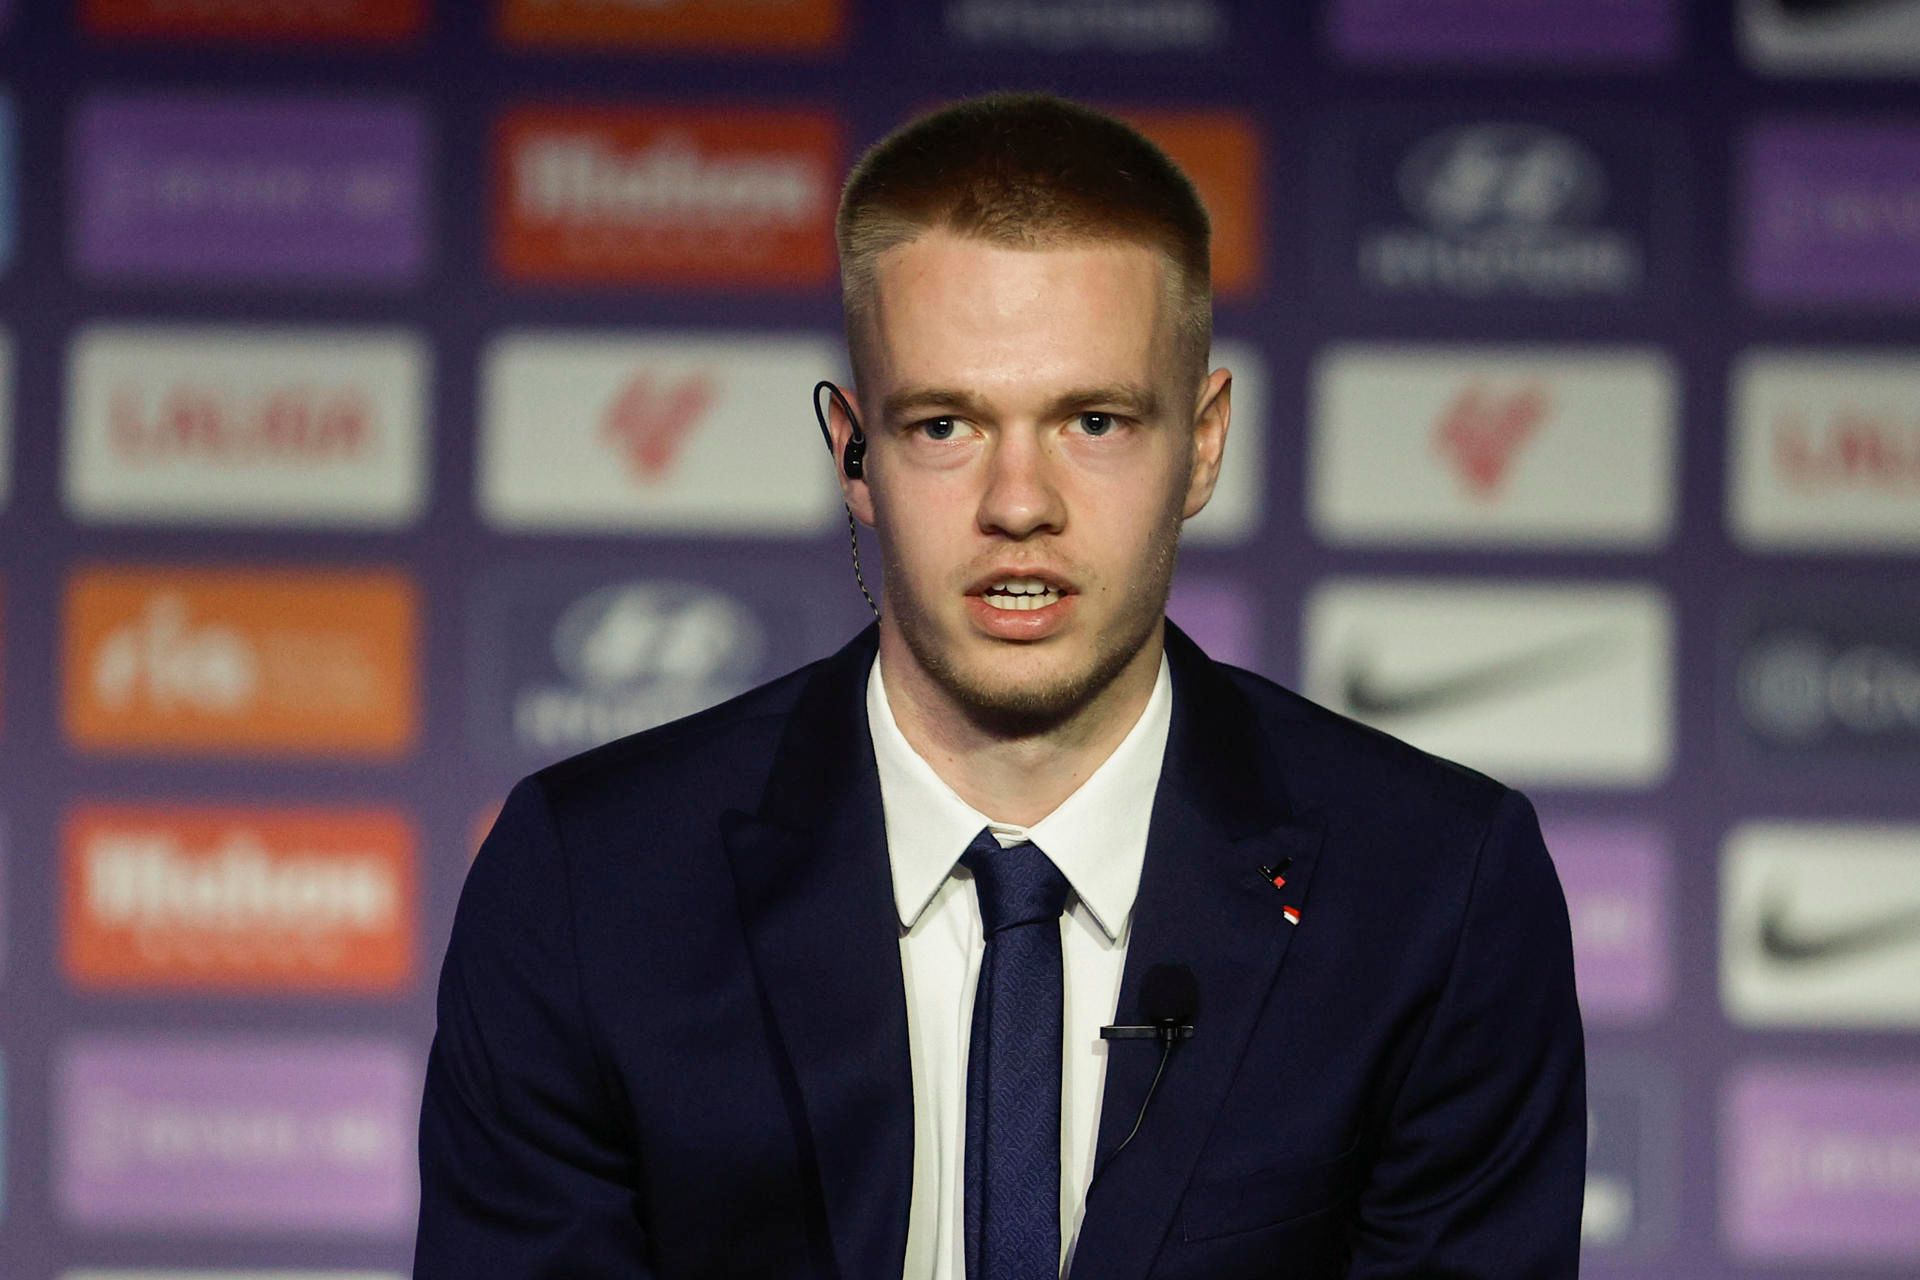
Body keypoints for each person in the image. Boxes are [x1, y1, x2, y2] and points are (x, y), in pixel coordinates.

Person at [415, 92, 1585, 1279]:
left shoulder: (1437, 894)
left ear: (1206, 441)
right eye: (944, 425)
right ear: (851, 452)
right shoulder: (587, 884)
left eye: (1093, 418)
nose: (1019, 502)